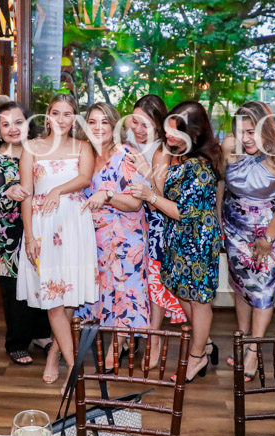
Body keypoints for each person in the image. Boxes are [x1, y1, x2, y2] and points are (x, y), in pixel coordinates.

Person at [131, 100, 223, 384]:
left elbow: (181, 211)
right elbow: (164, 196)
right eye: (168, 129)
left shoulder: (200, 165)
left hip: (198, 239)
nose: (168, 135)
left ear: (194, 133)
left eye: (175, 132)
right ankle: (205, 343)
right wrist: (150, 179)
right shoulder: (176, 155)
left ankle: (197, 357)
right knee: (182, 293)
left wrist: (149, 194)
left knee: (198, 300)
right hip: (176, 237)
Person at [17, 93, 97, 385]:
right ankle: (75, 366)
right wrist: (29, 237)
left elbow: (85, 178)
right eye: (56, 113)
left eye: (67, 114)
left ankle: (54, 352)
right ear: (47, 116)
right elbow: (26, 195)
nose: (61, 119)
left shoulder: (83, 147)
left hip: (75, 225)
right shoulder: (31, 148)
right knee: (53, 301)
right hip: (43, 227)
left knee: (69, 296)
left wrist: (56, 190)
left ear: (74, 118)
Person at [221, 101, 275, 379]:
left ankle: (253, 350)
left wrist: (267, 239)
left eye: (251, 131)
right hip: (234, 228)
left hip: (269, 230)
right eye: (240, 131)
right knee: (241, 284)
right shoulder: (229, 147)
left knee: (263, 289)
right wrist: (219, 221)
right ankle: (241, 338)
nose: (245, 138)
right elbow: (222, 185)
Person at [0, 101, 52, 366]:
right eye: (5, 124)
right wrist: (7, 194)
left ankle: (42, 334)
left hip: (42, 231)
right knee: (15, 293)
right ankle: (17, 343)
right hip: (8, 238)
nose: (13, 128)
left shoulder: (41, 153)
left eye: (18, 122)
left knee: (42, 284)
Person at [78, 103, 150, 367]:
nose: (98, 128)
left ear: (114, 126)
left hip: (125, 237)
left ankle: (115, 348)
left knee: (124, 291)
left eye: (104, 122)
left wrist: (107, 195)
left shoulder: (126, 155)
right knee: (102, 291)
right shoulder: (84, 154)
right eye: (92, 122)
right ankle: (117, 341)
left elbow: (135, 202)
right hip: (93, 236)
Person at [124, 94, 187, 369]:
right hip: (129, 220)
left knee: (155, 281)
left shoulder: (162, 151)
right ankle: (129, 331)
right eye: (135, 121)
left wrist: (145, 170)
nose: (139, 129)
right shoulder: (127, 143)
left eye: (146, 124)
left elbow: (159, 198)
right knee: (133, 278)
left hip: (158, 221)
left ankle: (154, 336)